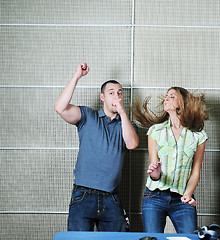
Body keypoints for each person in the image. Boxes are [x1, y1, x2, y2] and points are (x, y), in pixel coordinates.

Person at [54, 63, 139, 232]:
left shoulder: (127, 125)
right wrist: (77, 76)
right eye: (112, 93)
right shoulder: (88, 116)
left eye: (120, 93)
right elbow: (60, 108)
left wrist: (122, 112)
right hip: (83, 195)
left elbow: (132, 144)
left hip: (111, 197)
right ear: (102, 97)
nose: (117, 96)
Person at [131, 87, 209, 234]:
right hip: (154, 196)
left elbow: (195, 171)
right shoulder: (155, 131)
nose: (166, 99)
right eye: (166, 96)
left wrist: (188, 194)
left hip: (182, 199)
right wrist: (155, 174)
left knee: (189, 238)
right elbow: (155, 171)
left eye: (172, 96)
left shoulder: (198, 136)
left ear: (182, 103)